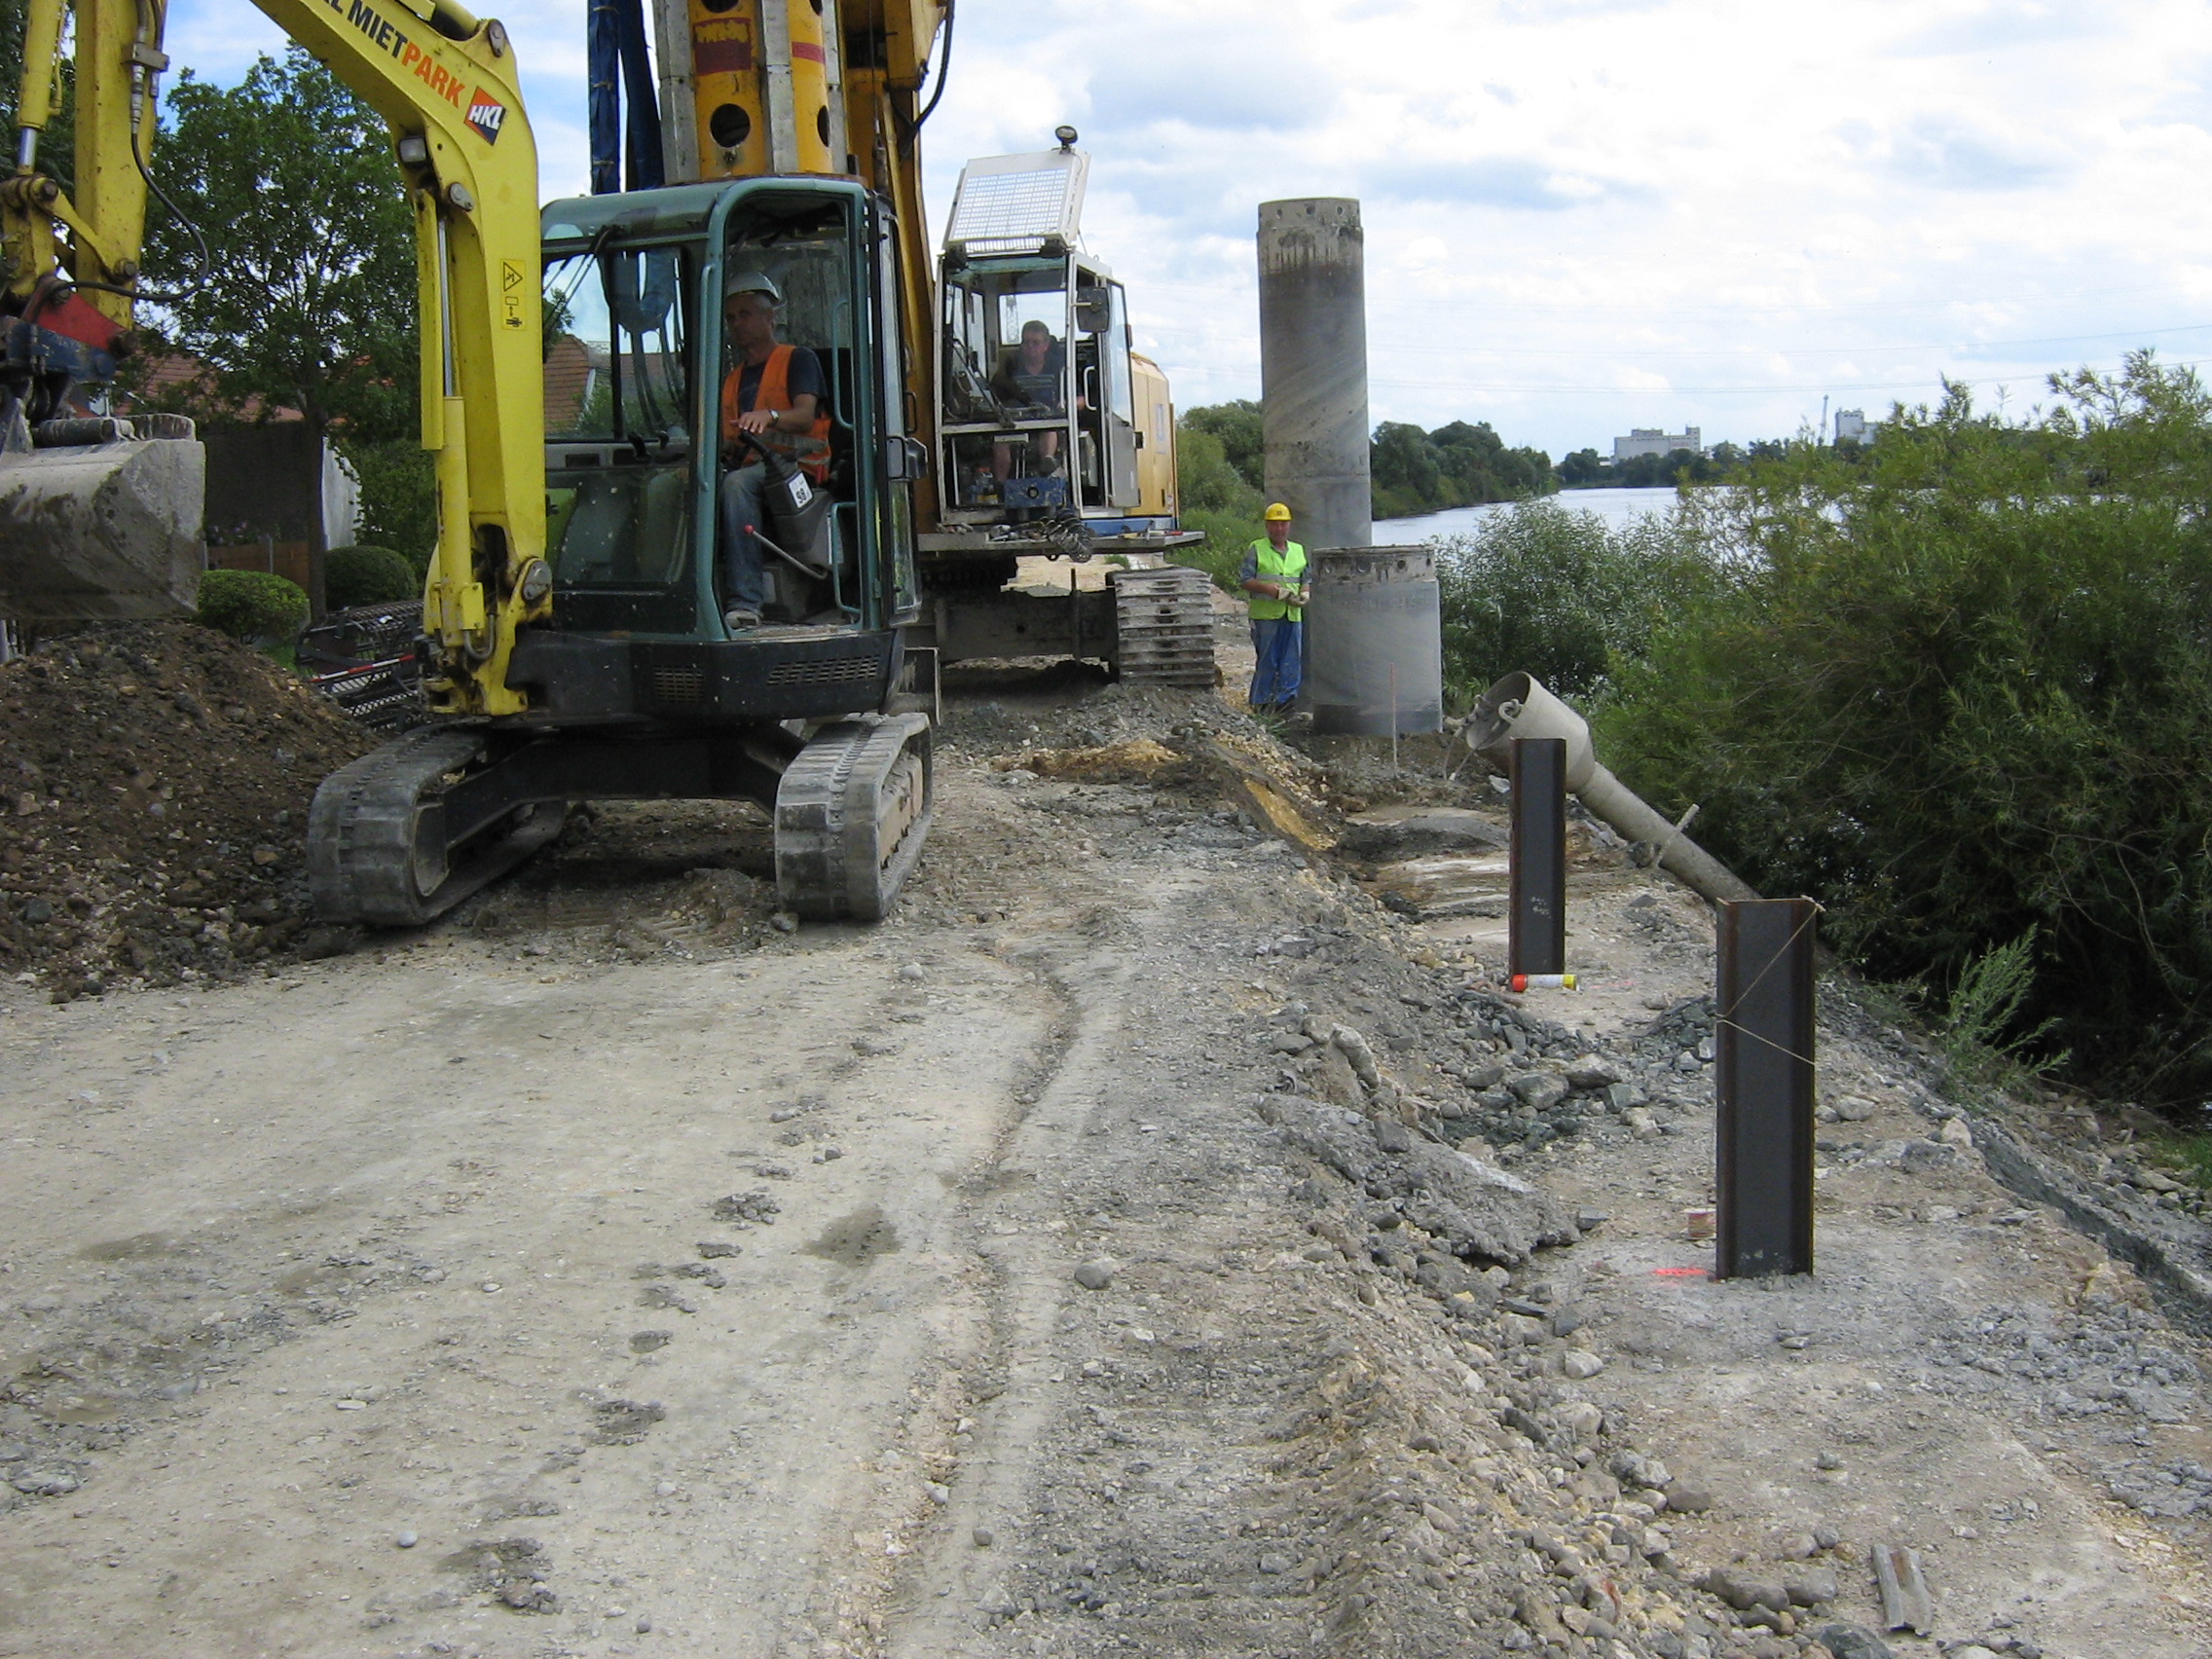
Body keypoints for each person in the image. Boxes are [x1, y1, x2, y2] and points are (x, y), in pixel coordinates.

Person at [719, 271, 830, 631]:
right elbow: (729, 440)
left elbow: (803, 418)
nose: (737, 323)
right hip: (754, 464)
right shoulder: (733, 378)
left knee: (736, 485)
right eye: (731, 318)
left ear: (770, 318)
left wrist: (771, 416)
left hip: (798, 466)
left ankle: (745, 601)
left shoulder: (798, 359)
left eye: (745, 314)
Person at [1238, 501, 1308, 713]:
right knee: (1268, 659)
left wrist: (1305, 593)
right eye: (1274, 524)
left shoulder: (1298, 550)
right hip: (1266, 615)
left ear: (1289, 525)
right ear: (1267, 526)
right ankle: (1261, 703)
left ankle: (1285, 703)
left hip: (1292, 614)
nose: (1279, 529)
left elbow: (1306, 577)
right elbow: (1244, 580)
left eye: (1283, 524)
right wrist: (1269, 589)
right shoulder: (1257, 549)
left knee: (1291, 660)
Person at [989, 318, 1069, 491]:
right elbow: (995, 393)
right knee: (1000, 440)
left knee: (1049, 429)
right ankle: (1000, 488)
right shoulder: (1011, 366)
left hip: (1049, 420)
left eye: (1035, 342)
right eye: (1026, 342)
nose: (1030, 347)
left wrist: (1063, 405)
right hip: (1015, 421)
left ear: (1046, 345)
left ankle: (1048, 465)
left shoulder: (1059, 367)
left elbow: (1080, 398)